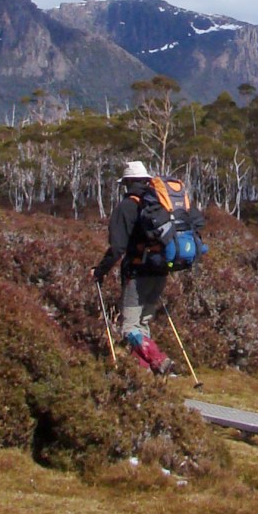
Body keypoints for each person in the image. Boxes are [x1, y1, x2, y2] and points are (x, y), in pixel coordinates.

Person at [92, 159, 176, 375]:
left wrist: (99, 271)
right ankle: (143, 374)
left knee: (129, 328)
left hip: (137, 274)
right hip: (160, 270)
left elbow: (117, 248)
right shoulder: (159, 203)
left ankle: (158, 360)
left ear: (127, 183)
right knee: (142, 324)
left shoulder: (126, 207)